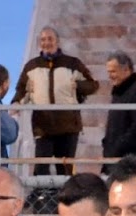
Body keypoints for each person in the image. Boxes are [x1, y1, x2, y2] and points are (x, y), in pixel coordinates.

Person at [13, 27, 99, 176]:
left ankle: (65, 192)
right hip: (43, 127)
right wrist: (16, 103)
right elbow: (21, 89)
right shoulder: (31, 66)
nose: (46, 43)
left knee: (65, 172)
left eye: (50, 39)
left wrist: (78, 85)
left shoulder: (73, 63)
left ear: (57, 42)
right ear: (39, 43)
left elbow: (93, 85)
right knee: (41, 170)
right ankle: (42, 192)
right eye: (43, 39)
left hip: (68, 128)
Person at [102, 52, 136, 165]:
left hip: (130, 161)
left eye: (113, 71)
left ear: (126, 70)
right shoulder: (119, 92)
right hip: (115, 158)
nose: (110, 76)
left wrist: (118, 147)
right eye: (108, 72)